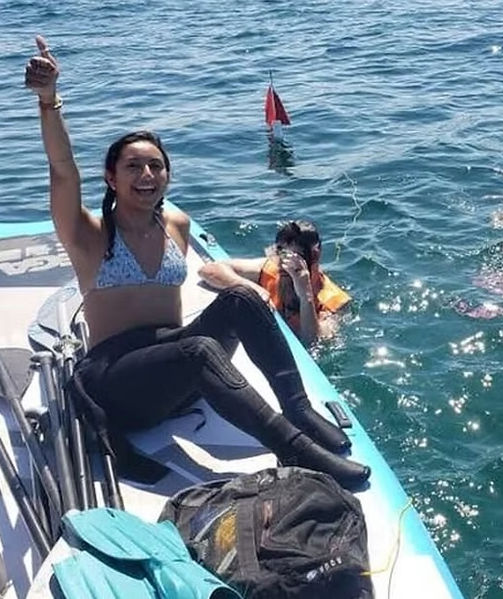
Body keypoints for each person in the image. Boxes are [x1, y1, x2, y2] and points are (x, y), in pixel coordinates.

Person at [24, 35, 369, 488]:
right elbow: (63, 169)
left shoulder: (177, 224)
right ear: (110, 177)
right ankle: (292, 448)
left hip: (174, 363)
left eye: (155, 166)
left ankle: (299, 410)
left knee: (244, 299)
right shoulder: (89, 234)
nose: (146, 175)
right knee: (200, 350)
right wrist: (50, 101)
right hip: (118, 381)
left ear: (167, 174)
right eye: (132, 167)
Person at [198, 220, 350, 347]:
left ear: (314, 256)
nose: (284, 265)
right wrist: (253, 288)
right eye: (280, 254)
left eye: (292, 258)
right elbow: (209, 270)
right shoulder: (271, 269)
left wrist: (306, 296)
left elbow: (313, 342)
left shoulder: (333, 300)